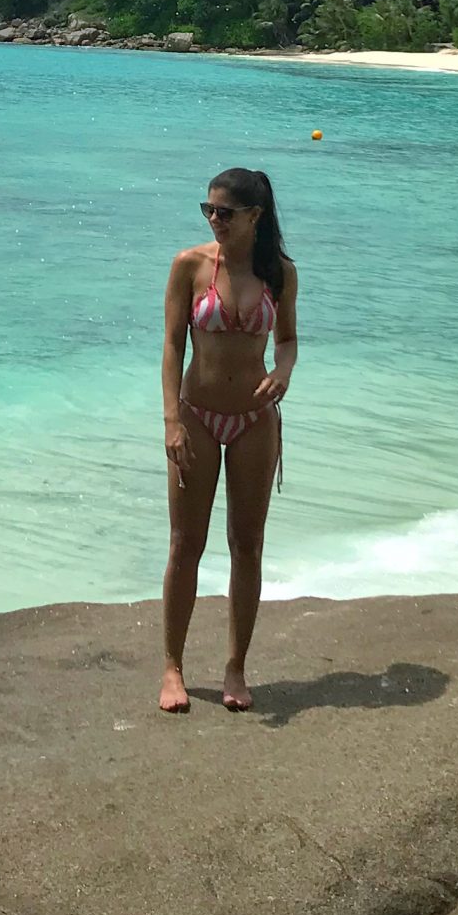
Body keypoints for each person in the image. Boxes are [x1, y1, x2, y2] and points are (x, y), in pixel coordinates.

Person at [159, 167, 298, 714]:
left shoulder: (279, 273)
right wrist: (171, 420)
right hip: (196, 415)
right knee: (184, 545)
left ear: (255, 216)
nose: (214, 219)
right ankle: (172, 667)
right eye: (208, 210)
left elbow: (287, 339)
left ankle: (236, 667)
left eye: (225, 212)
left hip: (255, 421)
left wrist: (283, 371)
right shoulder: (189, 266)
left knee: (247, 544)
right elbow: (173, 345)